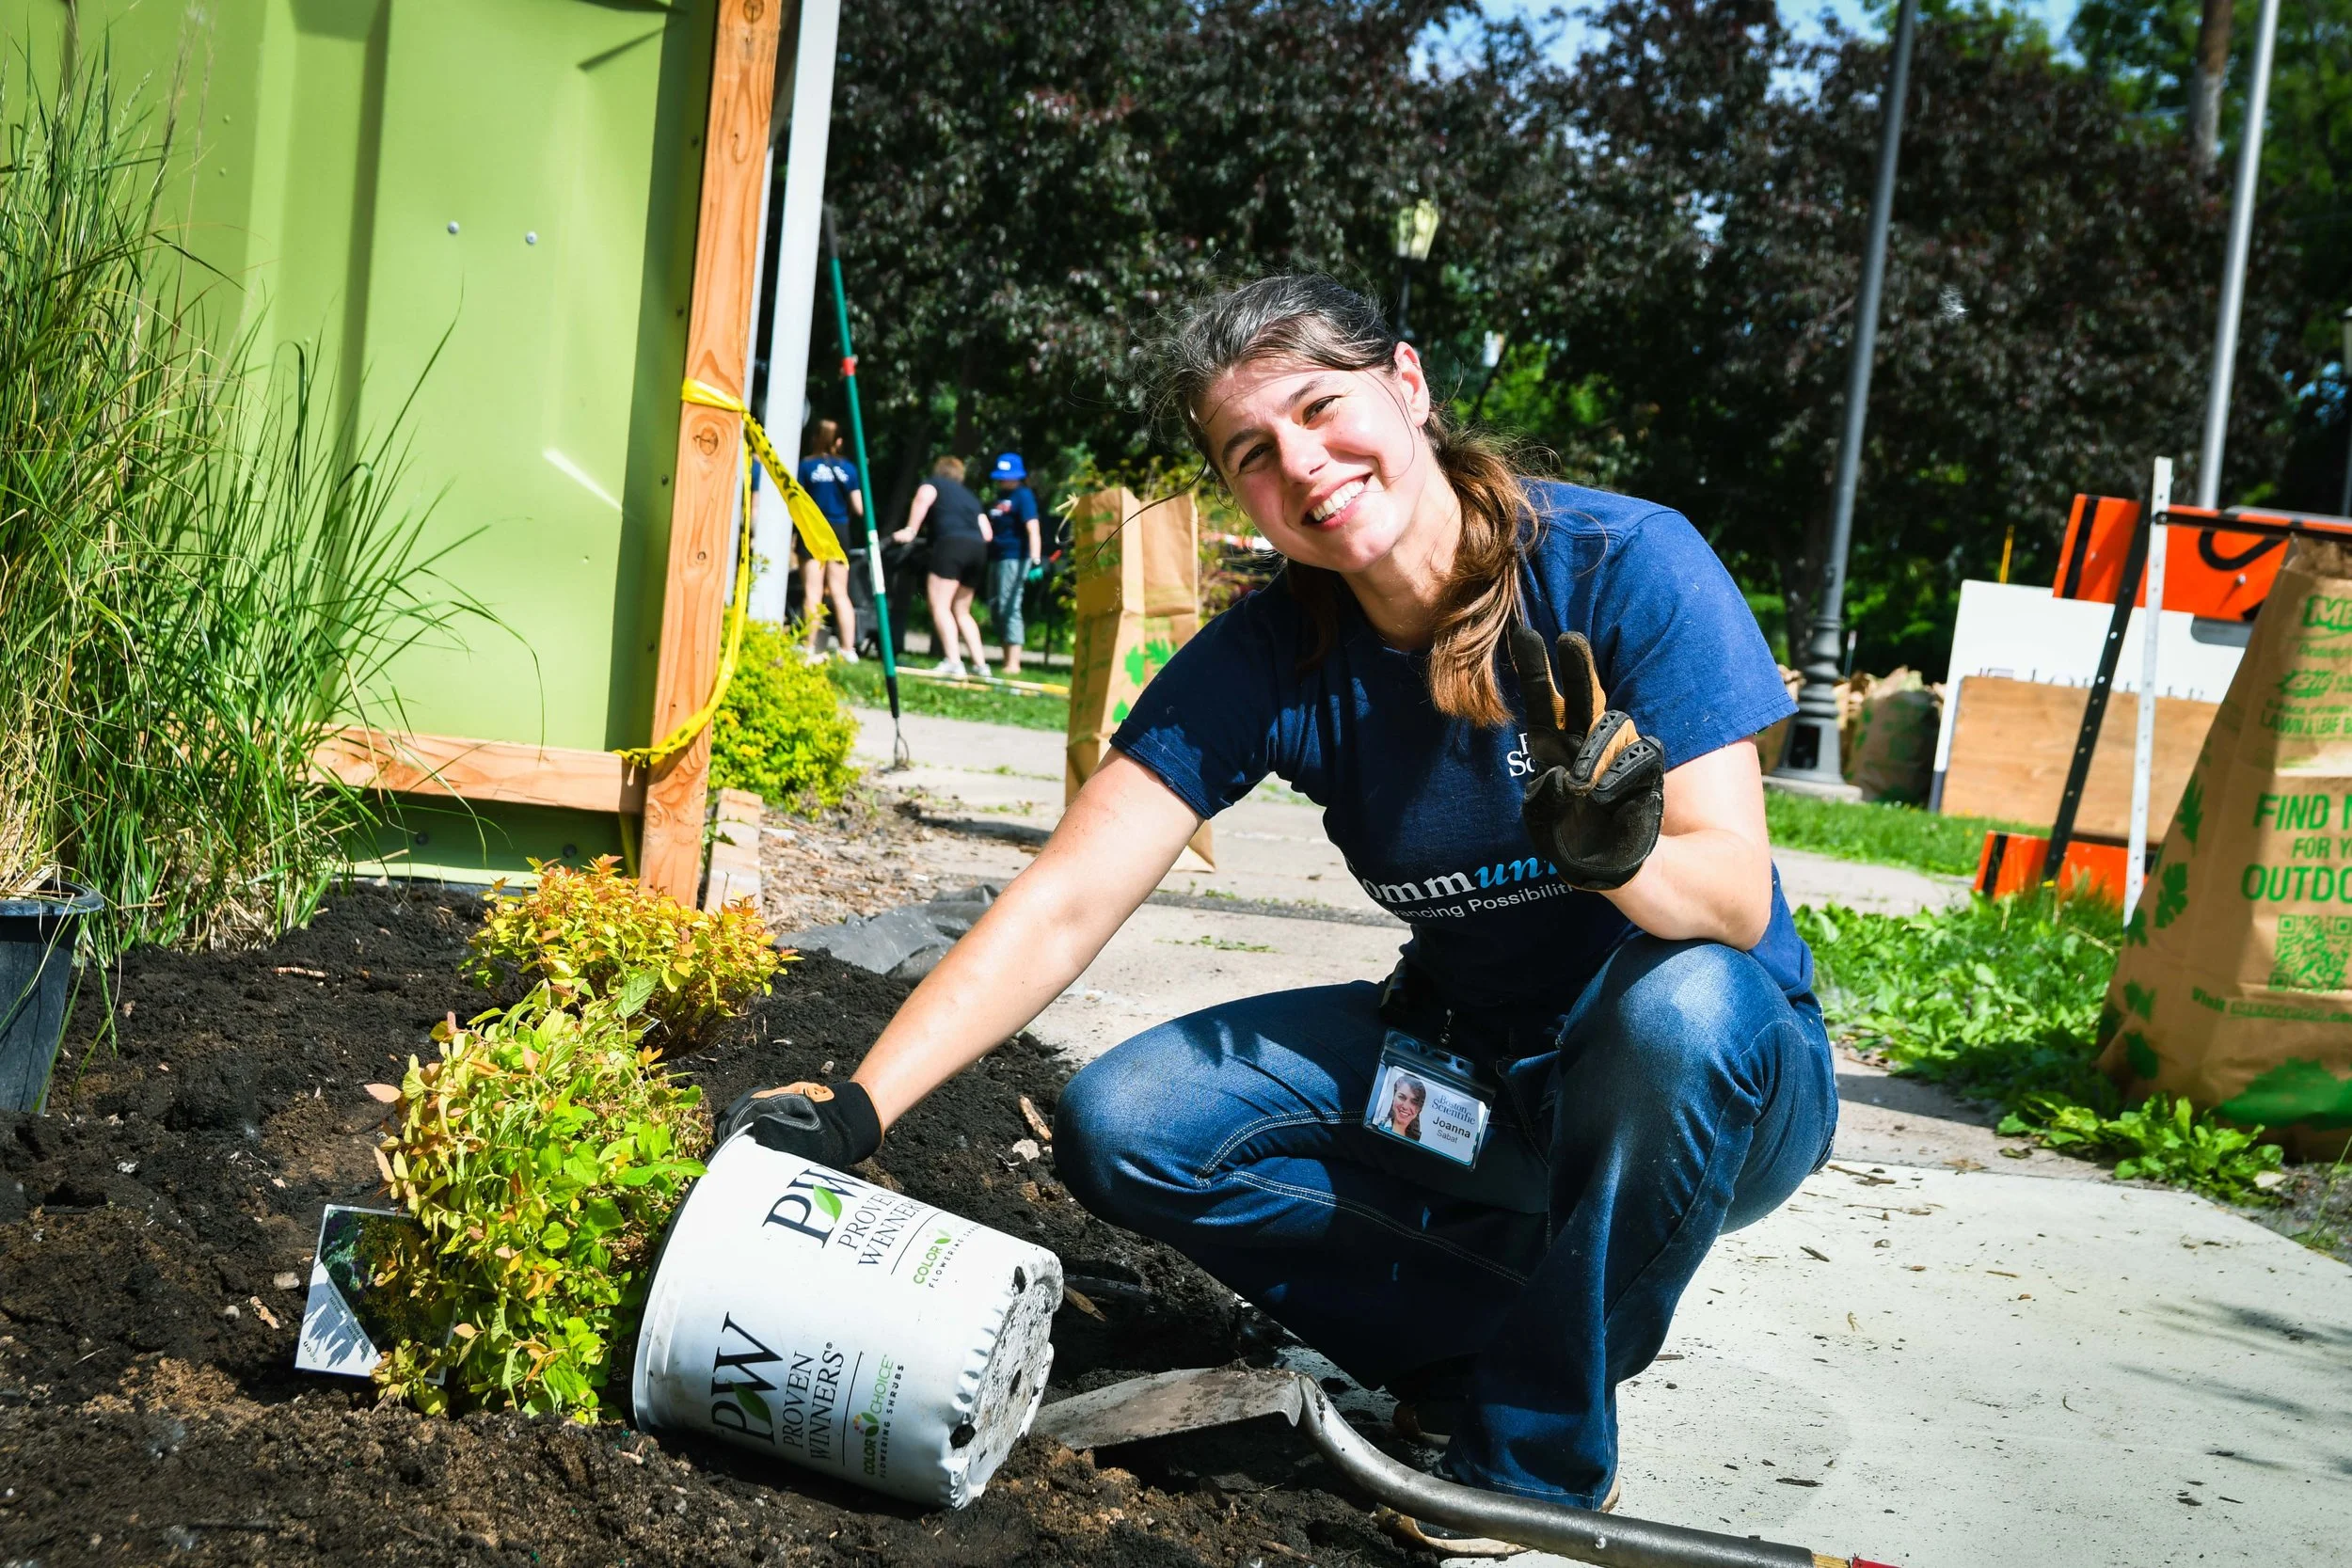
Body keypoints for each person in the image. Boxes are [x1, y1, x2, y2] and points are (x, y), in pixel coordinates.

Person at [718, 276, 1833, 1552]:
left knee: (1679, 1009)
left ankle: (1533, 1452)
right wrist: (862, 1102)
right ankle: (1506, 1325)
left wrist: (1618, 854)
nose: (1302, 464)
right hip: (1474, 1071)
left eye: (1322, 407)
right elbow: (1070, 892)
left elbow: (1731, 903)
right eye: (1253, 451)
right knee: (1127, 1123)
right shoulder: (1276, 650)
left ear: (1407, 386)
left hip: (1715, 1080)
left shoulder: (1621, 567)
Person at [890, 455, 992, 678]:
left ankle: (954, 662)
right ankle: (981, 665)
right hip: (978, 550)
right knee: (962, 610)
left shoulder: (932, 484)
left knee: (940, 605)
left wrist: (911, 530)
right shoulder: (970, 498)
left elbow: (923, 498)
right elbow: (987, 533)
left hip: (951, 545)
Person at [795, 420, 864, 658]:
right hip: (839, 529)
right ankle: (848, 649)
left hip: (814, 528)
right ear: (839, 441)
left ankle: (808, 647)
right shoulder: (849, 469)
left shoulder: (806, 466)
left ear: (815, 438)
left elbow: (799, 501)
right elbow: (859, 507)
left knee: (812, 592)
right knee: (839, 591)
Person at [983, 452, 1043, 675]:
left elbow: (1033, 529)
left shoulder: (1023, 496)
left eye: (1006, 476)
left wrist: (1035, 560)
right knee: (996, 606)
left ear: (1017, 476)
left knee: (1010, 606)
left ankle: (1013, 664)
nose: (1002, 480)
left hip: (1016, 558)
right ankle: (1005, 657)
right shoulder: (1000, 495)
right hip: (997, 557)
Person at [1378, 1073, 1426, 1142]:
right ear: (1393, 1098)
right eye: (1402, 1097)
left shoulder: (1421, 1142)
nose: (1405, 1106)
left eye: (1414, 1102)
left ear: (1419, 1109)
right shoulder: (1378, 1127)